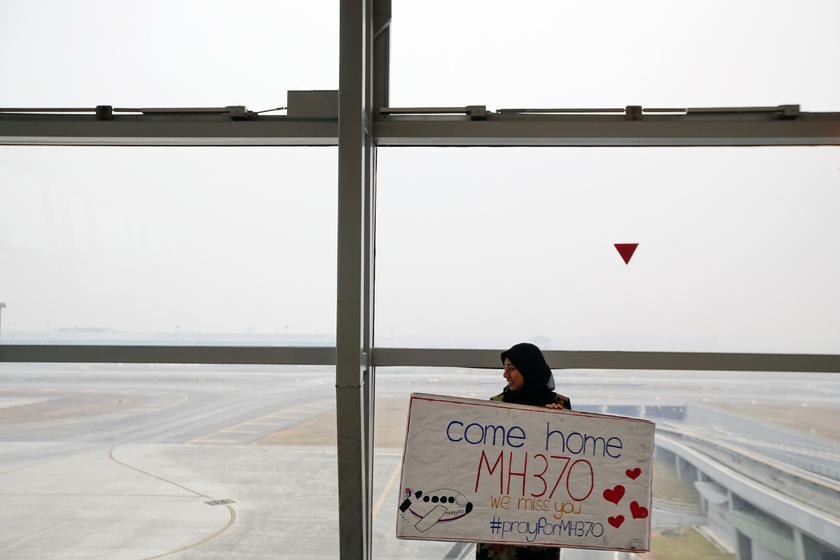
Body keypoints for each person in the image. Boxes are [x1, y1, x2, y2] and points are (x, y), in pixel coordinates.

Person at [476, 342, 572, 560]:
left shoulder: (560, 405)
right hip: (500, 513)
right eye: (505, 368)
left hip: (540, 514)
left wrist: (560, 423)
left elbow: (566, 461)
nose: (504, 375)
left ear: (529, 369)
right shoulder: (495, 405)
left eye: (511, 368)